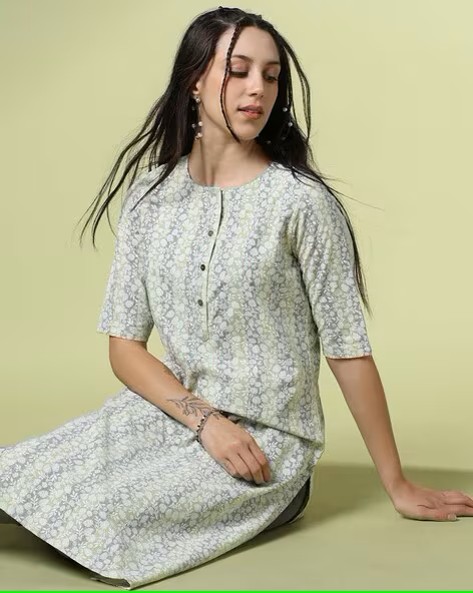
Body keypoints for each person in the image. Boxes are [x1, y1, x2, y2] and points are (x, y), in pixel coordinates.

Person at [1, 6, 472, 590]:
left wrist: (396, 483)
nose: (258, 89)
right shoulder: (150, 196)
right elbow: (125, 347)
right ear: (194, 82)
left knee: (106, 515)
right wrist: (205, 422)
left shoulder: (301, 204)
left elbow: (348, 350)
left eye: (271, 76)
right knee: (16, 473)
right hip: (168, 415)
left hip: (267, 447)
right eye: (239, 70)